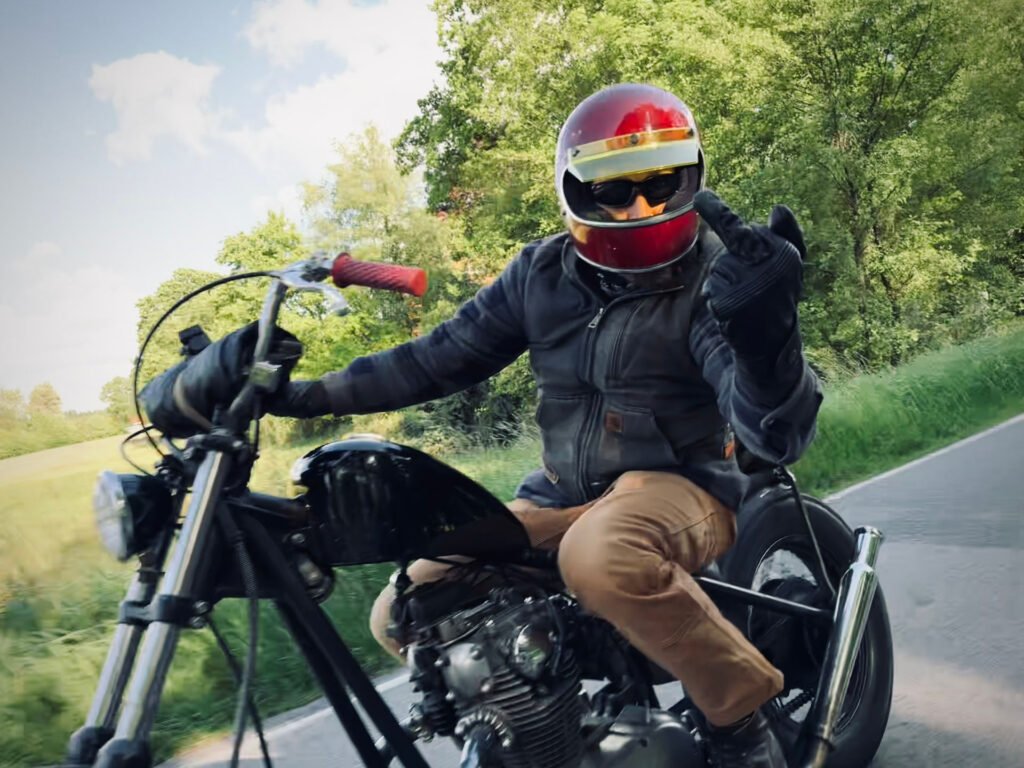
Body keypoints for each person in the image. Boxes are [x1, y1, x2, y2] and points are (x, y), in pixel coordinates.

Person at [154, 83, 821, 768]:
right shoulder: (540, 273)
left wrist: (768, 344)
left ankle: (741, 726)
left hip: (683, 486)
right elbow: (432, 361)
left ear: (692, 174)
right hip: (561, 495)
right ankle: (547, 734)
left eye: (660, 183)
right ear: (577, 192)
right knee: (406, 609)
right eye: (615, 191)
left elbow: (770, 433)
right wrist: (295, 396)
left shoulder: (717, 277)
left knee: (599, 559)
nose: (641, 207)